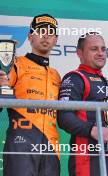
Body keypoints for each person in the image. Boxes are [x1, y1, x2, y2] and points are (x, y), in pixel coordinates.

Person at [0, 14, 60, 175]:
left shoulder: (56, 75)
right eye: (40, 31)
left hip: (52, 148)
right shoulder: (15, 64)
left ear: (56, 39)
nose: (45, 35)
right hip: (21, 143)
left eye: (50, 32)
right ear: (30, 36)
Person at [57, 33, 108, 176]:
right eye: (94, 49)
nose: (100, 53)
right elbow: (64, 117)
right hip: (86, 160)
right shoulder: (75, 77)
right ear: (80, 53)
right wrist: (93, 130)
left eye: (103, 49)